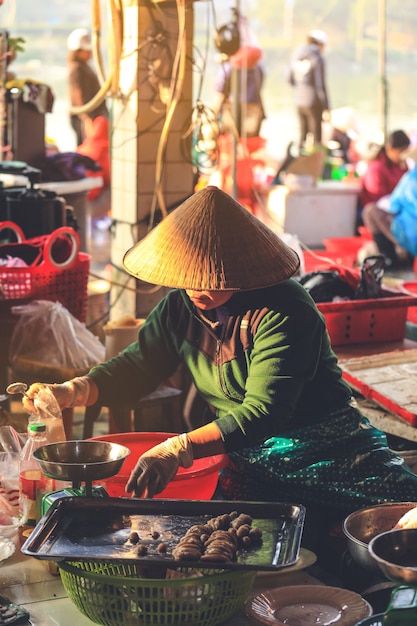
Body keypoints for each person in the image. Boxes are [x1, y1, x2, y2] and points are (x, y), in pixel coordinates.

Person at [22, 186, 417, 558]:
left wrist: (180, 447)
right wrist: (74, 391)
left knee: (399, 521)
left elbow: (264, 412)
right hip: (245, 455)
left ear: (242, 271)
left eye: (212, 278)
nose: (198, 289)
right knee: (249, 540)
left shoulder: (286, 312)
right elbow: (138, 367)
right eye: (191, 277)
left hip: (328, 448)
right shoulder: (179, 308)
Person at [360, 129, 411, 264]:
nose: (403, 156)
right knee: (370, 211)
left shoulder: (404, 167)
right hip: (383, 214)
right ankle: (394, 252)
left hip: (399, 213)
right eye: (401, 152)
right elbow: (377, 198)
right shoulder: (376, 168)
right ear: (390, 149)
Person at [362, 165, 417, 267]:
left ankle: (391, 259)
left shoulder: (411, 177)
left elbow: (394, 206)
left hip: (410, 242)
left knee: (370, 212)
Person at [287, 29, 330, 149]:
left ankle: (300, 161)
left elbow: (289, 79)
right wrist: (326, 107)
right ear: (320, 44)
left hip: (300, 102)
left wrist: (302, 88)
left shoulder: (296, 56)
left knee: (303, 135)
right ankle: (316, 163)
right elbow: (320, 86)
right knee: (316, 137)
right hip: (314, 102)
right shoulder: (317, 58)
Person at [67, 28, 108, 146]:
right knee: (87, 149)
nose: (89, 53)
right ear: (78, 51)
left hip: (91, 116)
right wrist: (88, 120)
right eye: (87, 50)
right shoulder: (77, 69)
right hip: (85, 118)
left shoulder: (83, 67)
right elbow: (80, 96)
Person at [213, 47, 265, 139]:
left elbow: (220, 94)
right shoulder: (258, 68)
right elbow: (259, 88)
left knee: (230, 141)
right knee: (249, 143)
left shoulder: (229, 67)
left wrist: (214, 114)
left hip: (231, 111)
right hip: (253, 111)